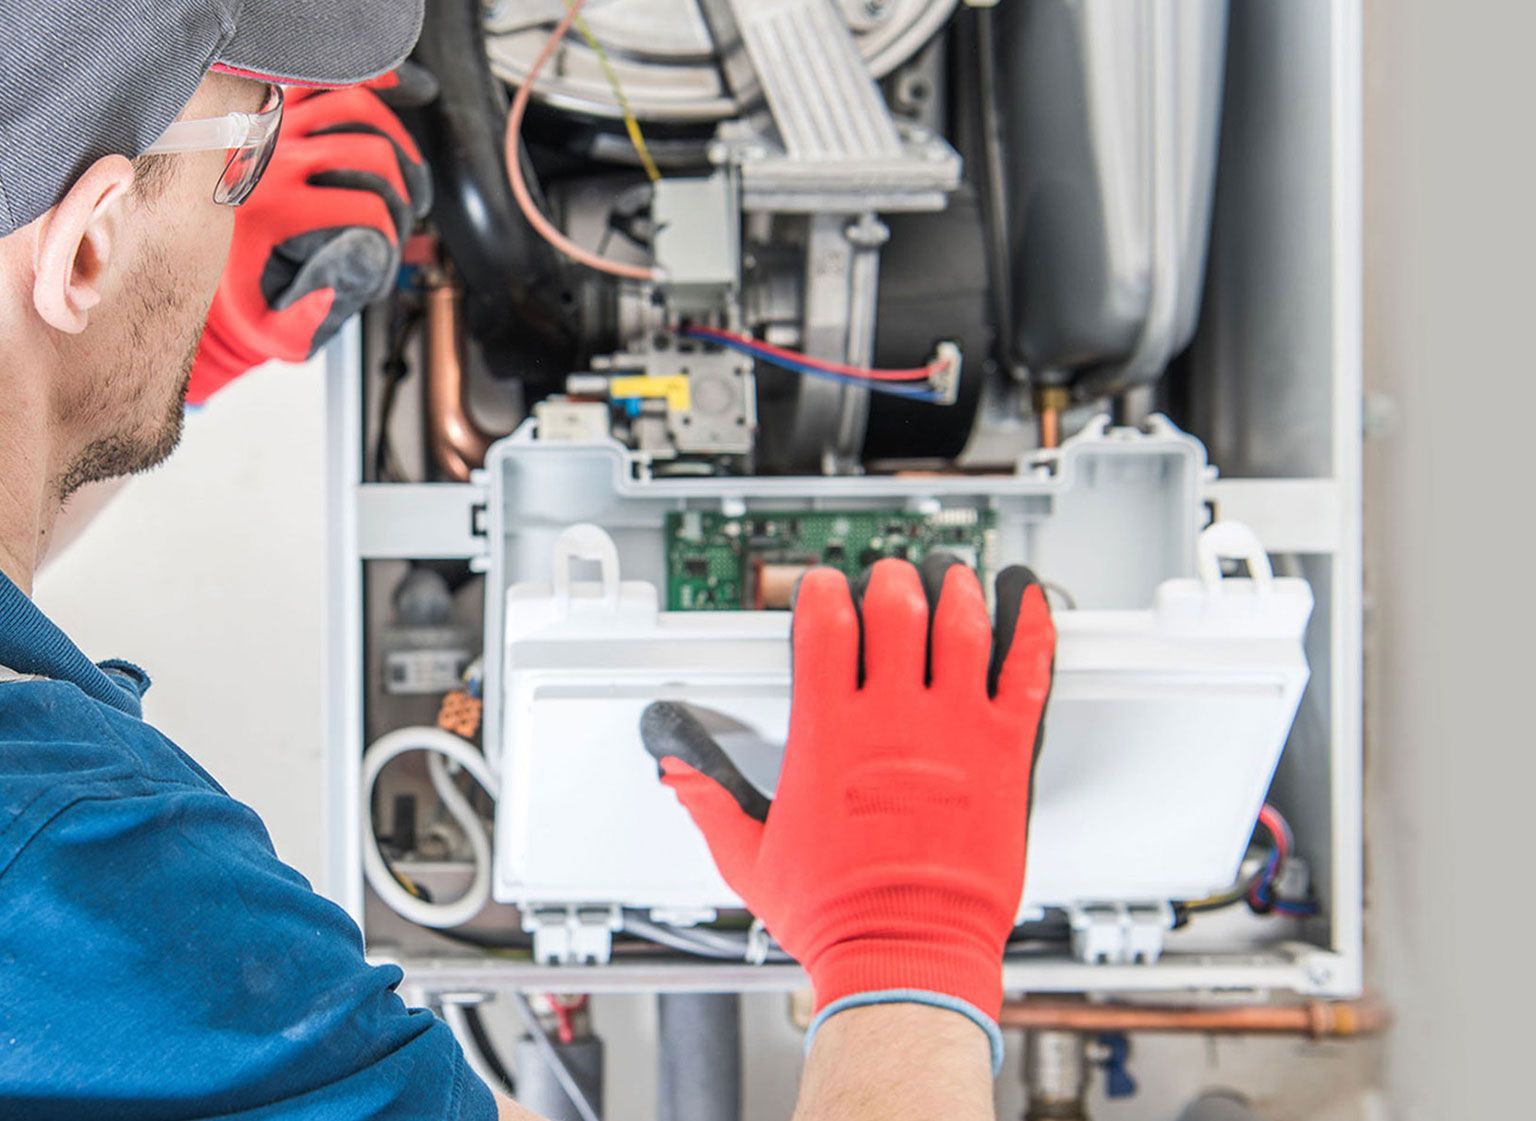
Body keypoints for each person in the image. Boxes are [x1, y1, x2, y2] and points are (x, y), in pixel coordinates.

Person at [0, 3, 1056, 1120]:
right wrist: (905, 941)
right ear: (89, 244)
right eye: (244, 153)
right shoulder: (102, 900)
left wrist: (114, 371)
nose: (254, 189)